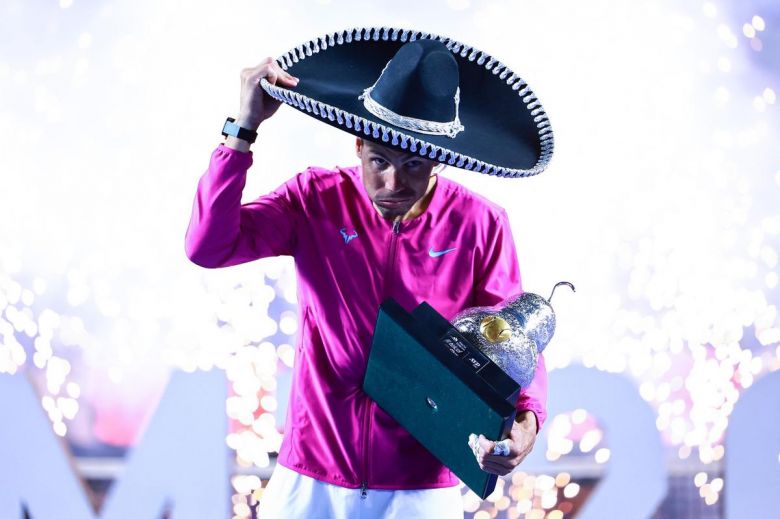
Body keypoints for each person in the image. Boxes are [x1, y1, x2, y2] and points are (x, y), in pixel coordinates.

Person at [185, 30, 554, 519]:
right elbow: (208, 246)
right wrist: (243, 128)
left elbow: (512, 342)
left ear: (439, 159)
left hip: (420, 488)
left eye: (414, 165)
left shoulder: (480, 224)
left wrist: (527, 421)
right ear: (358, 145)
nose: (393, 183)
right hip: (308, 479)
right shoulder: (314, 198)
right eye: (379, 161)